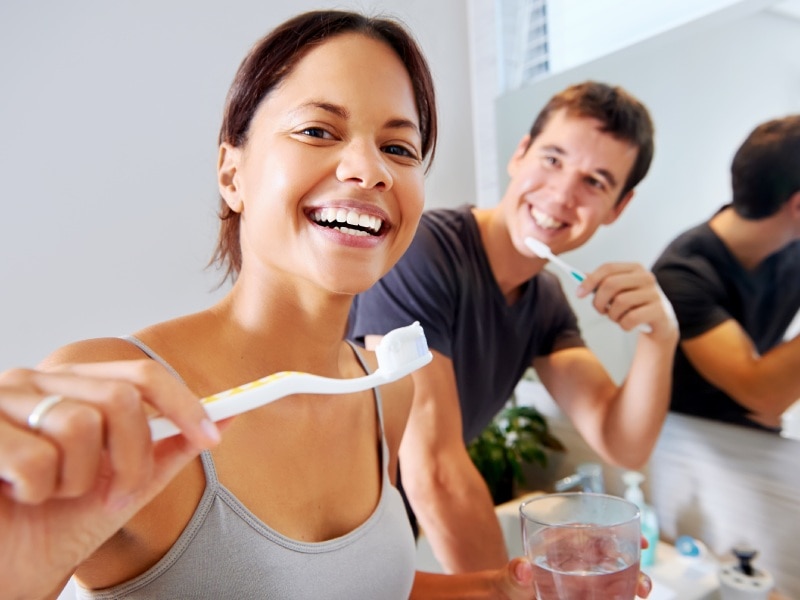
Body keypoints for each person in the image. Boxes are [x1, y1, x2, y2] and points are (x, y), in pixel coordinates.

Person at [5, 10, 602, 600]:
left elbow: (350, 587)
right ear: (231, 173)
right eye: (318, 131)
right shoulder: (107, 388)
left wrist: (494, 590)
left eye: (398, 147)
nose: (369, 170)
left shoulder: (386, 391)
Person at [348, 81, 680, 573]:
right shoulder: (425, 253)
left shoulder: (545, 301)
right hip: (315, 533)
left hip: (384, 538)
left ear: (618, 208)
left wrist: (661, 337)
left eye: (596, 181)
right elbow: (434, 470)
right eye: (552, 159)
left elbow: (621, 441)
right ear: (520, 154)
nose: (563, 194)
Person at [652, 115, 800, 432]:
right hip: (688, 442)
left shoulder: (791, 242)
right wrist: (772, 391)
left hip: (756, 433)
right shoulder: (682, 272)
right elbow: (761, 393)